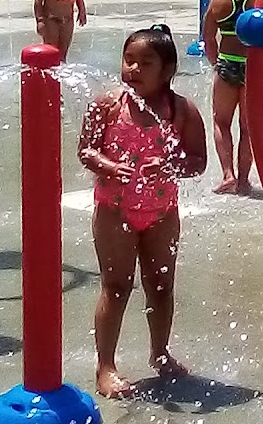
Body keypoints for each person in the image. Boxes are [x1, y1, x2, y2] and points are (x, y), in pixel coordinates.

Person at [78, 24, 207, 398]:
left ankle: (160, 353)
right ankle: (105, 367)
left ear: (167, 70)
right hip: (114, 210)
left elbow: (197, 162)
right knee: (116, 287)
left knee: (162, 286)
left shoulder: (181, 110)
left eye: (144, 62)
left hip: (162, 211)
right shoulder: (107, 105)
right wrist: (107, 166)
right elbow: (86, 149)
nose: (132, 69)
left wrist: (171, 166)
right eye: (128, 60)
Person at [202, 0, 261, 194]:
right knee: (248, 128)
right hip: (251, 68)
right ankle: (245, 180)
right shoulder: (258, 0)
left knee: (220, 122)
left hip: (227, 64)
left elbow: (207, 38)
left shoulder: (219, 1)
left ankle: (228, 175)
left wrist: (216, 63)